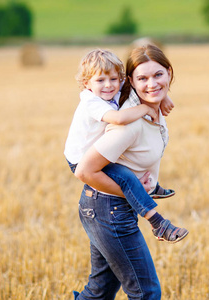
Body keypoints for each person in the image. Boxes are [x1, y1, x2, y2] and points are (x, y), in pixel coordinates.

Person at [72, 44, 188, 299]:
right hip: (108, 208)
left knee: (99, 292)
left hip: (104, 207)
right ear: (132, 82)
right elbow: (84, 171)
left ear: (169, 72)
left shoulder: (151, 105)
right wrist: (132, 193)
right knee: (146, 293)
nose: (152, 84)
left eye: (158, 75)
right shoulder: (129, 122)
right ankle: (158, 223)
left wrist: (160, 96)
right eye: (142, 78)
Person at [64, 49, 184, 241]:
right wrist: (145, 107)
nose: (108, 85)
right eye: (100, 80)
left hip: (96, 163)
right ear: (86, 84)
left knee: (101, 274)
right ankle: (159, 224)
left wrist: (163, 96)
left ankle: (152, 186)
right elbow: (118, 118)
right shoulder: (91, 101)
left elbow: (140, 83)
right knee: (128, 179)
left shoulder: (115, 88)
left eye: (113, 79)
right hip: (80, 159)